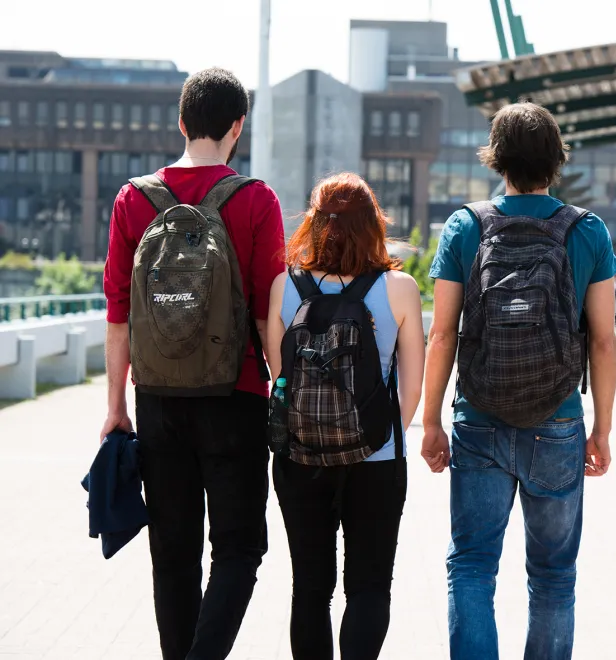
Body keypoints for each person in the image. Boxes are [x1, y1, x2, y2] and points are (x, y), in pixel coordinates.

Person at [421, 101, 616, 660]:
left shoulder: (466, 225)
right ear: (556, 159)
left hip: (478, 420)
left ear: (496, 158)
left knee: (472, 565)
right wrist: (601, 428)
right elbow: (603, 341)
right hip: (557, 422)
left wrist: (431, 420)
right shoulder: (586, 230)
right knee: (554, 576)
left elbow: (442, 335)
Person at [100, 68, 286, 659]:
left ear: (181, 124)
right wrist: (281, 391)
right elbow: (266, 314)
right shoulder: (256, 200)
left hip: (156, 398)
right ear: (238, 127)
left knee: (172, 553)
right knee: (237, 549)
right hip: (237, 396)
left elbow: (118, 312)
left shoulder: (134, 199)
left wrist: (114, 408)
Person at [265, 172, 424, 659]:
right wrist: (374, 432)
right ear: (373, 225)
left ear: (313, 223)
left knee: (310, 588)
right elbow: (412, 388)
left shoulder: (284, 286)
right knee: (369, 586)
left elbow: (280, 372)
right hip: (375, 457)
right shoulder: (399, 288)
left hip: (299, 455)